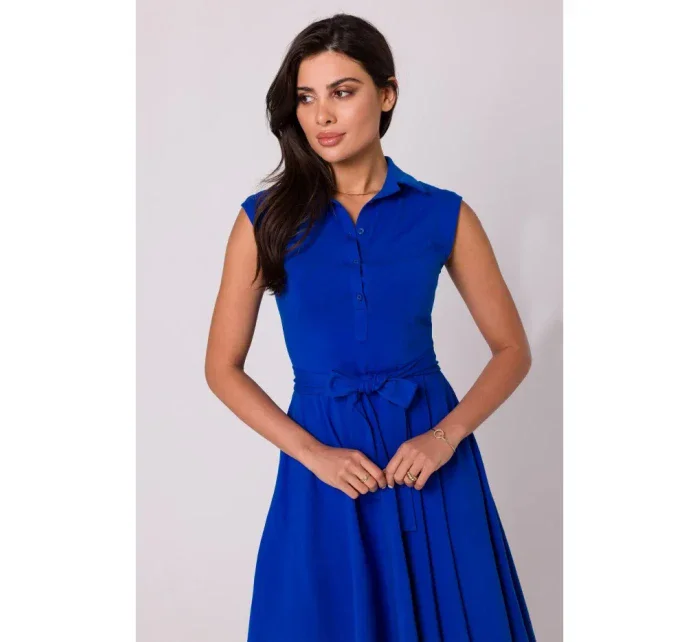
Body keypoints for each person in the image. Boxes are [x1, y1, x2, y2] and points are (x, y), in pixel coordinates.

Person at [205, 13, 537, 642]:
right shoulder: (263, 220)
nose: (322, 115)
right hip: (324, 457)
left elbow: (512, 349)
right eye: (307, 97)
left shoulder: (443, 213)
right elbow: (221, 368)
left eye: (343, 91)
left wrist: (444, 438)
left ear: (386, 95)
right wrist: (313, 455)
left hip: (427, 456)